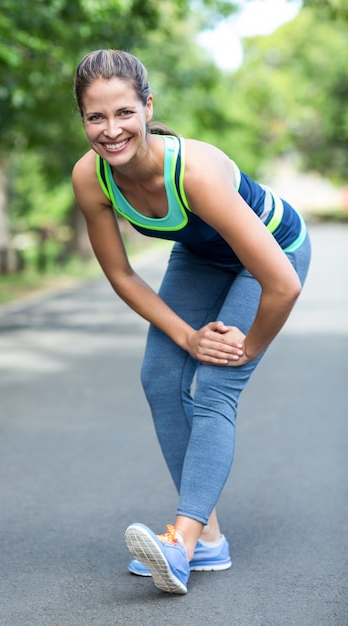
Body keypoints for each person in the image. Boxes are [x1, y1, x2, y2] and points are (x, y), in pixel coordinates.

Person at [71, 49, 311, 595]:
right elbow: (122, 275)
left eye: (125, 113)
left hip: (273, 254)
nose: (111, 131)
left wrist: (246, 347)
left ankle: (181, 541)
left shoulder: (194, 171)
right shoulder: (91, 178)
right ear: (82, 118)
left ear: (148, 107)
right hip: (202, 257)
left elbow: (283, 283)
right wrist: (184, 334)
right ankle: (207, 541)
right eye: (95, 117)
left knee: (217, 385)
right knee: (160, 376)